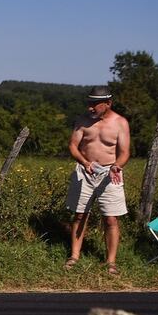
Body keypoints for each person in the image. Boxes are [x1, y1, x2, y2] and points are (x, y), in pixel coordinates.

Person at [64, 86, 131, 275]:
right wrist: (84, 162)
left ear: (108, 103)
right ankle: (74, 256)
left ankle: (111, 262)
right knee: (79, 214)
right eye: (89, 103)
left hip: (110, 173)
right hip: (85, 171)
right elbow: (73, 146)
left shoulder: (120, 123)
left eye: (95, 104)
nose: (90, 108)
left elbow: (125, 152)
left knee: (110, 219)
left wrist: (117, 166)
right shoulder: (82, 121)